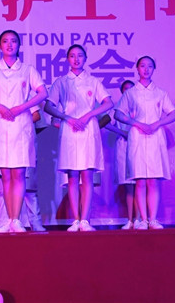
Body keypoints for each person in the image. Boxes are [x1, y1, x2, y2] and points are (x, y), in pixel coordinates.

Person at [0, 30, 47, 233]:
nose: (10, 44)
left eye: (13, 41)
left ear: (19, 45)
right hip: (0, 124)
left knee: (19, 173)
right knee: (5, 175)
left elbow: (43, 93)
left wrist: (22, 107)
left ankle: (16, 219)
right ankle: (8, 221)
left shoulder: (28, 70)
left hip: (21, 124)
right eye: (5, 41)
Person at [45, 45, 113, 232]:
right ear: (68, 59)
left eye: (80, 56)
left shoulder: (93, 81)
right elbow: (49, 106)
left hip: (88, 129)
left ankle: (85, 220)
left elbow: (108, 102)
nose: (76, 59)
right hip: (69, 130)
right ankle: (75, 220)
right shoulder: (61, 82)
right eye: (72, 56)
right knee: (72, 176)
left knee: (87, 176)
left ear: (85, 58)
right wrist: (67, 118)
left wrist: (88, 115)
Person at [114, 56, 175, 230]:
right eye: (142, 66)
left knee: (153, 181)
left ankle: (153, 219)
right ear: (137, 69)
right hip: (137, 136)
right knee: (140, 181)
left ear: (154, 69)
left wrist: (158, 123)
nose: (146, 69)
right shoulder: (130, 93)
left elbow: (174, 114)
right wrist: (136, 123)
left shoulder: (160, 93)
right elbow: (118, 114)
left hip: (155, 137)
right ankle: (143, 219)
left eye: (150, 66)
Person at [100, 80, 142, 229]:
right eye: (126, 89)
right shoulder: (117, 108)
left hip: (139, 146)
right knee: (129, 186)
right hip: (123, 147)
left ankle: (140, 219)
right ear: (122, 92)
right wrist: (122, 132)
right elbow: (105, 122)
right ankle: (130, 219)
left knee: (140, 184)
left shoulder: (140, 105)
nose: (128, 92)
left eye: (131, 89)